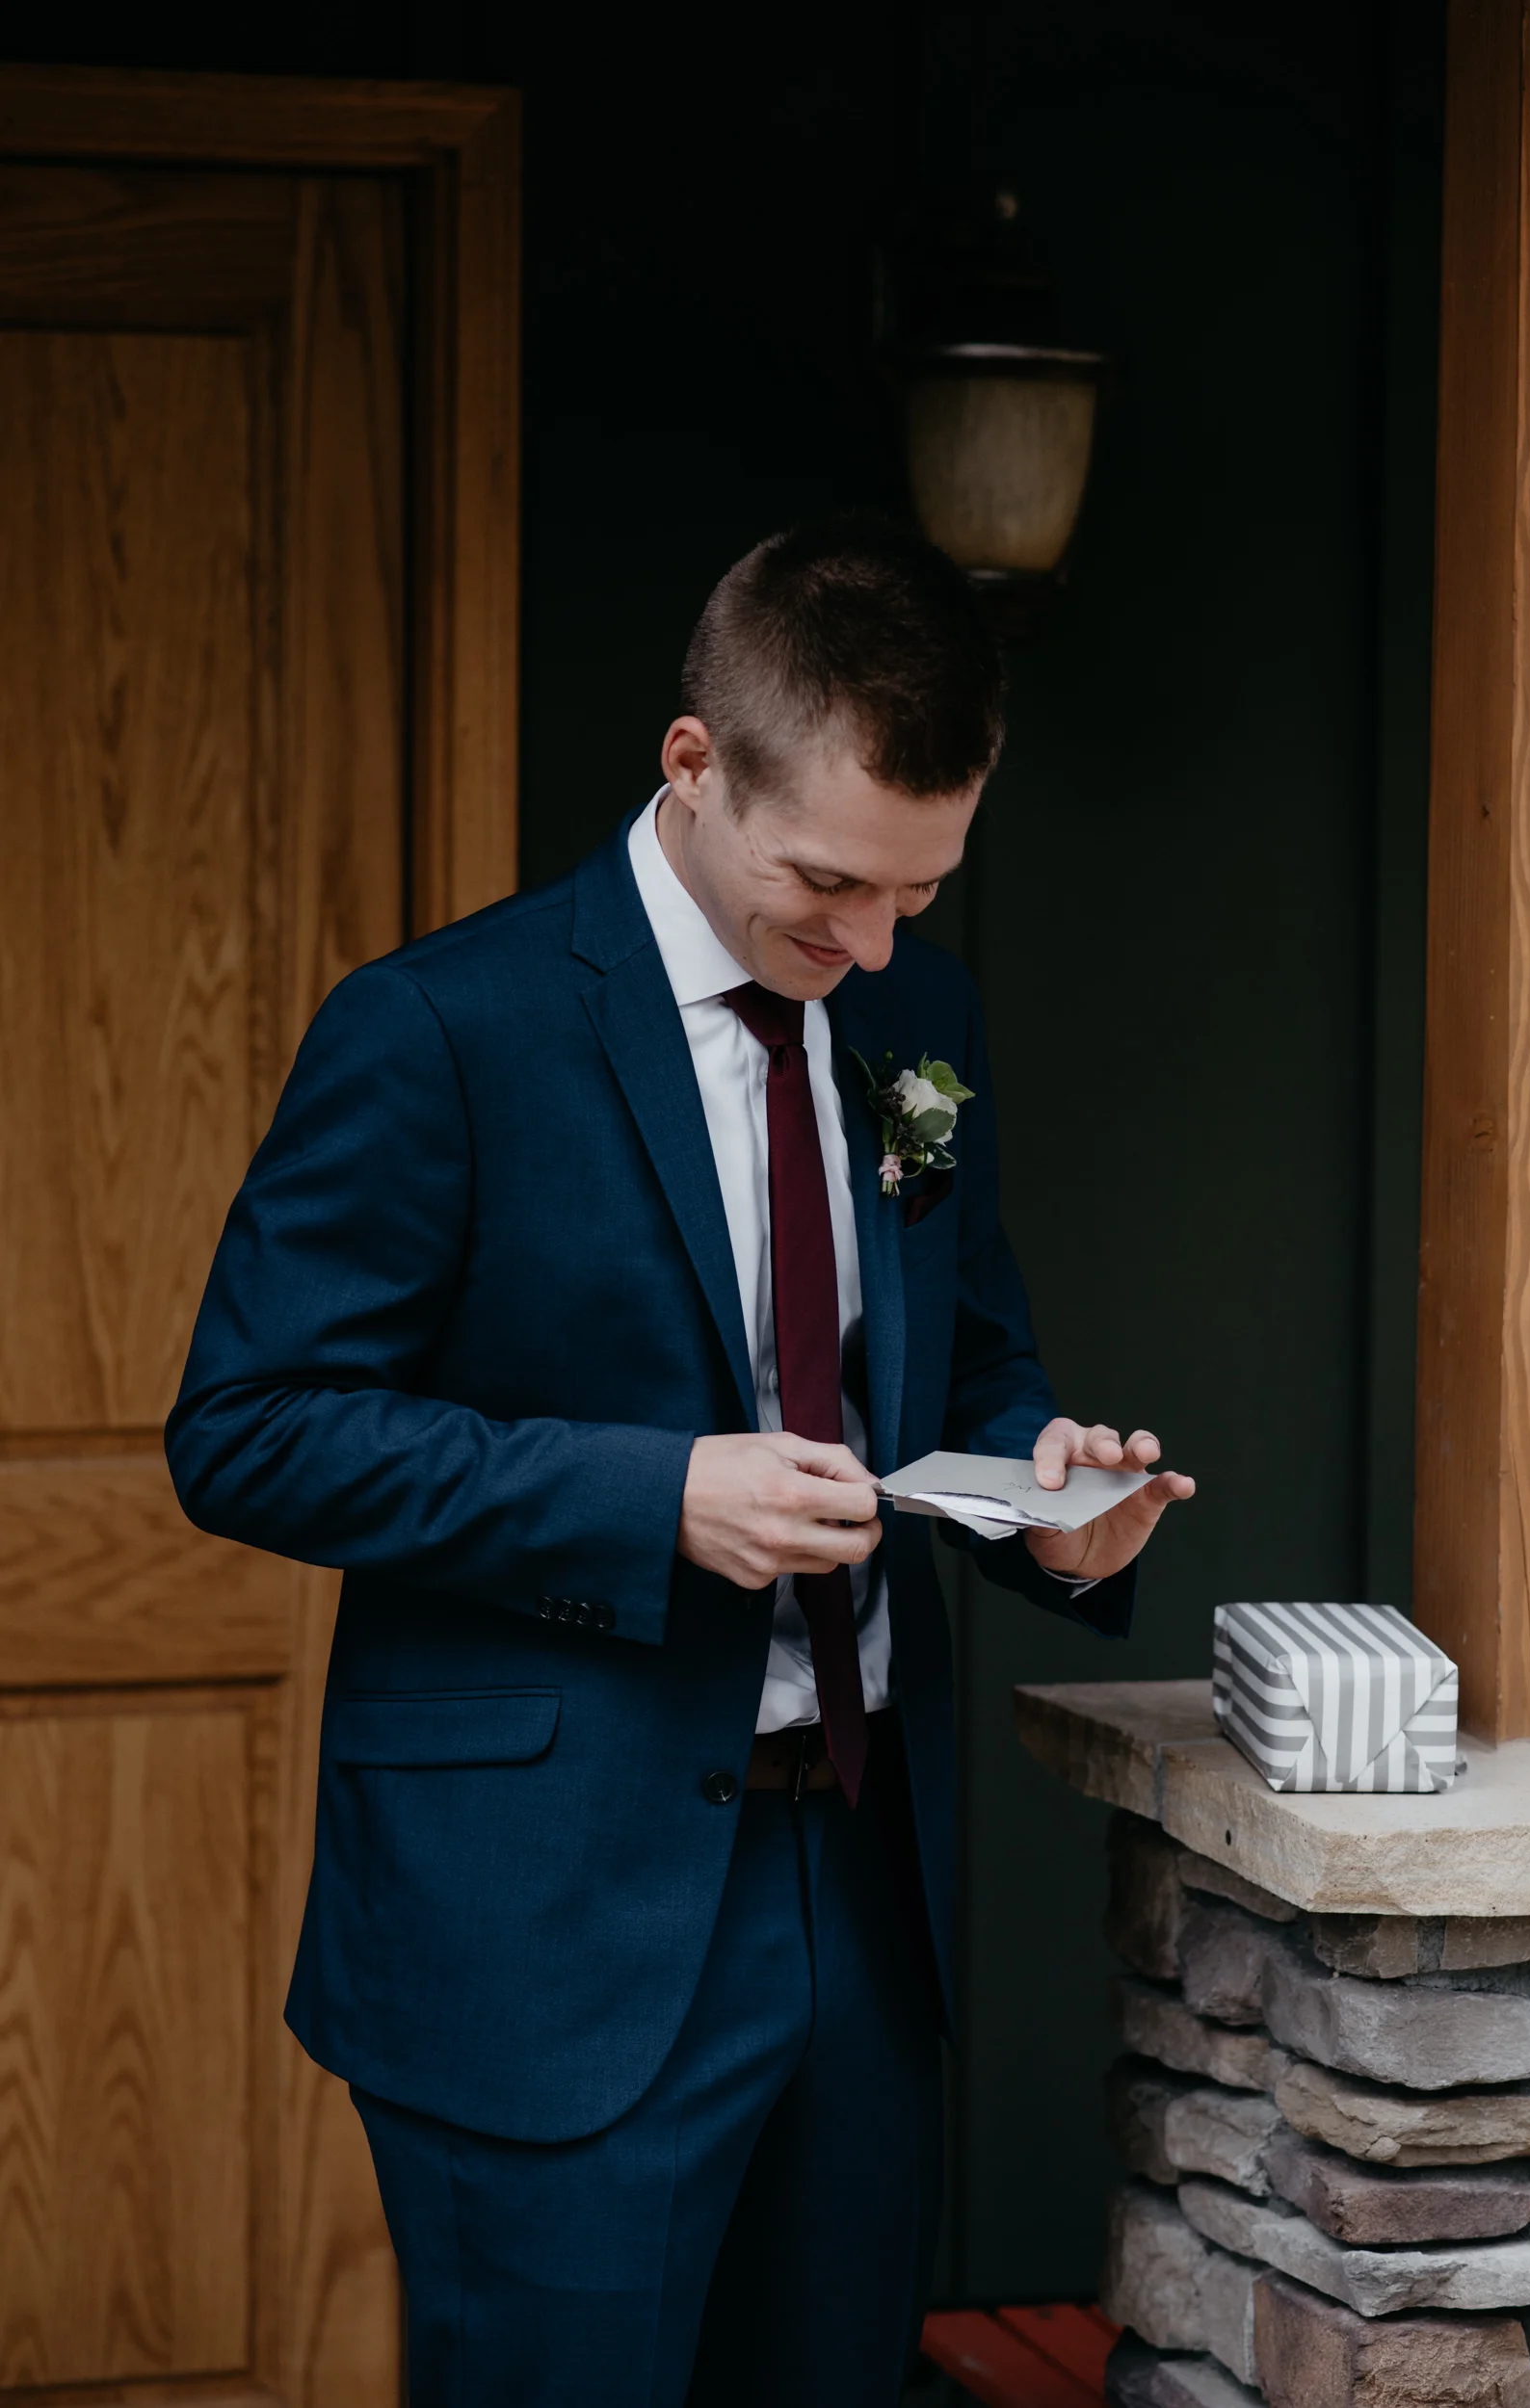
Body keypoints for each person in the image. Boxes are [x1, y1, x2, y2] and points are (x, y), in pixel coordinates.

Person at [167, 516, 1194, 2408]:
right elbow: (249, 1432)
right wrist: (653, 1495)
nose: (872, 944)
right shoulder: (440, 1030)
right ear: (693, 766)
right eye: (829, 886)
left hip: (864, 1909)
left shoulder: (913, 1021)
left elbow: (968, 1348)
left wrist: (1049, 1494)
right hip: (546, 1926)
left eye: (920, 891)